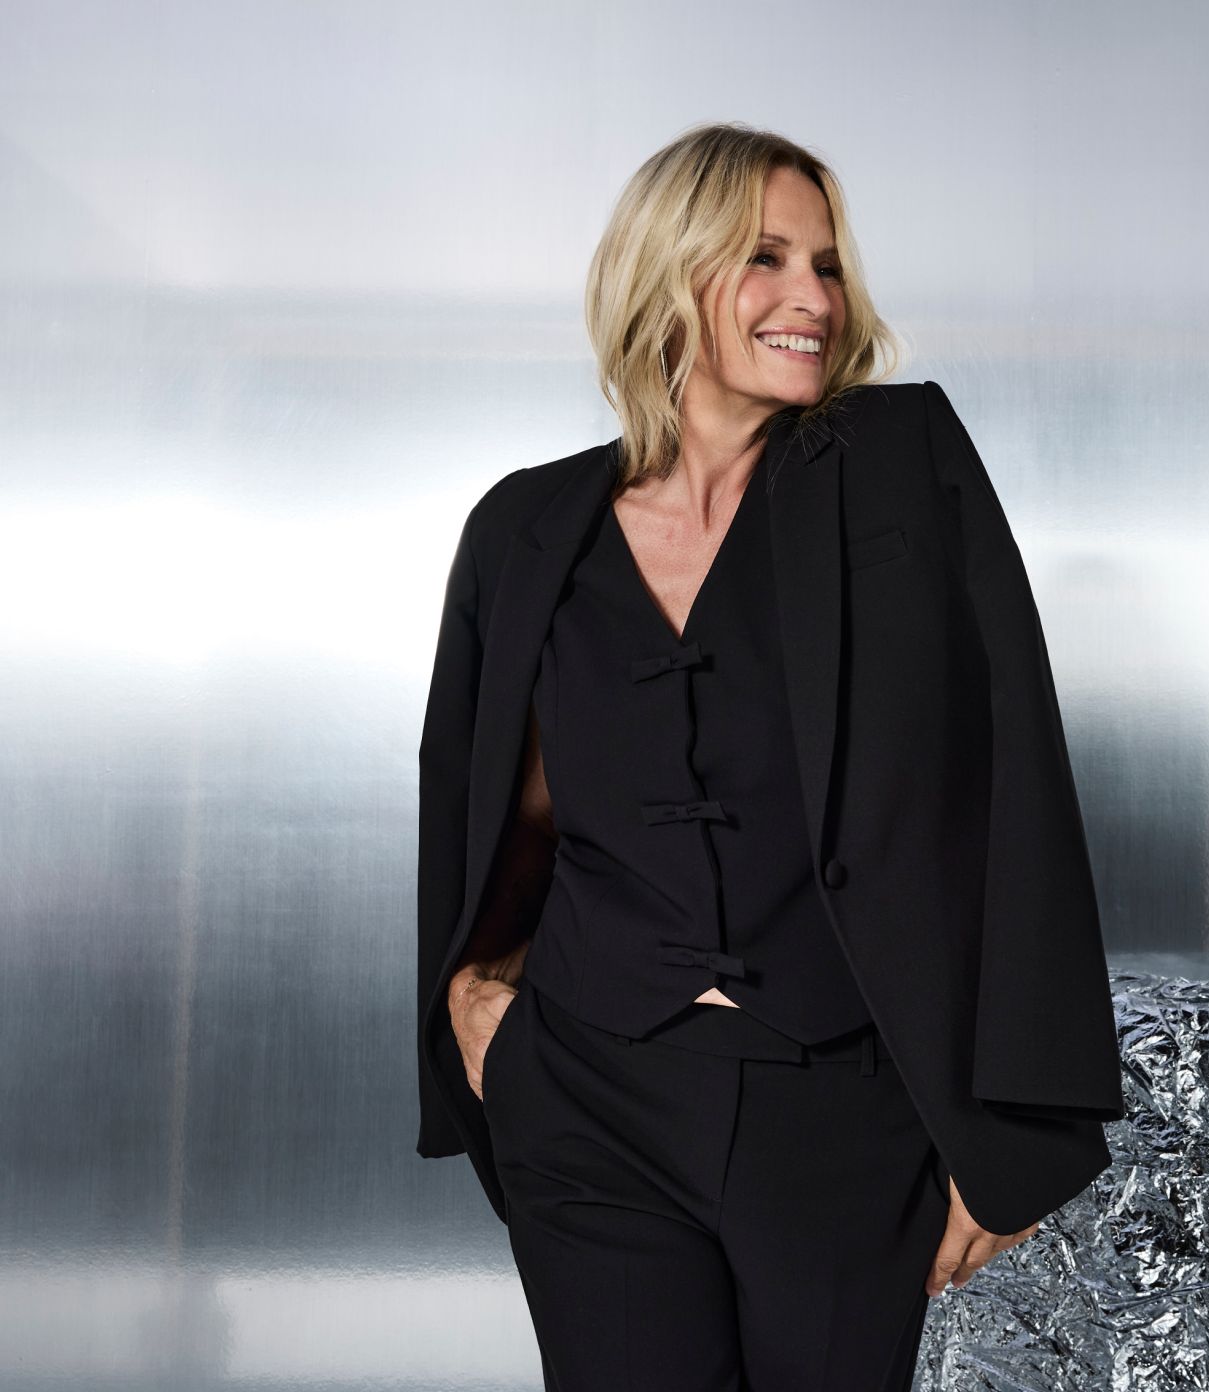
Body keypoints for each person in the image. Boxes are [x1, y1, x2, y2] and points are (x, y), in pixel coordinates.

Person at [415, 121, 1125, 1392]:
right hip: (590, 1098)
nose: (815, 297)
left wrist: (1018, 1123)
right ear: (666, 272)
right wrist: (472, 997)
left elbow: (1019, 770)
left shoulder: (903, 472)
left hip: (842, 1111)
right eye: (767, 257)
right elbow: (497, 816)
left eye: (829, 265)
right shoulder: (524, 529)